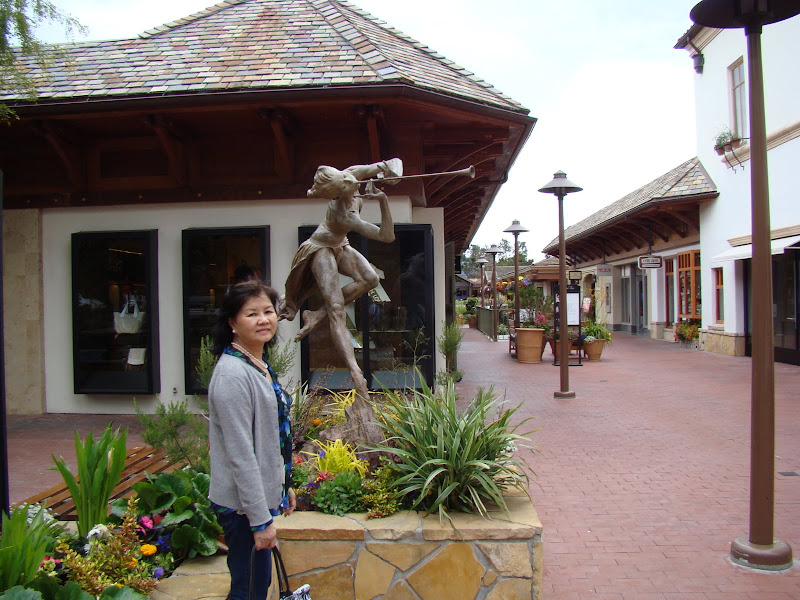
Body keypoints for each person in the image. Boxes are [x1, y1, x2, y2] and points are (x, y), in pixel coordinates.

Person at [279, 160, 398, 400]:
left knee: (370, 278)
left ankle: (316, 315)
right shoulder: (344, 215)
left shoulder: (347, 175)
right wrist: (383, 201)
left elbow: (383, 165)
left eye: (346, 179)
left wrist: (387, 169)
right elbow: (387, 236)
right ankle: (356, 372)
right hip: (321, 249)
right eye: (344, 186)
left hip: (341, 244)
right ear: (337, 194)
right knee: (337, 310)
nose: (350, 182)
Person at [208, 278, 296, 600]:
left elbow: (272, 437)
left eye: (268, 311)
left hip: (254, 503)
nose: (263, 320)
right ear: (232, 323)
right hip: (242, 509)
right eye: (252, 314)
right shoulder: (232, 375)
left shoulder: (257, 365)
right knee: (248, 591)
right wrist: (260, 522)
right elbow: (241, 455)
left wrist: (283, 485)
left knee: (257, 586)